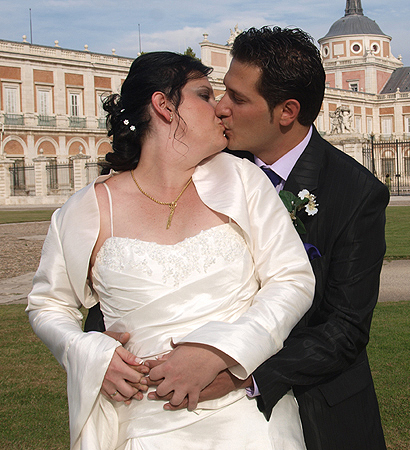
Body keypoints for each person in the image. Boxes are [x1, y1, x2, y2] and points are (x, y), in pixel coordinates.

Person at [26, 51, 314, 450]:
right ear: (163, 105)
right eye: (203, 94)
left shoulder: (244, 180)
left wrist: (218, 352)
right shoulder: (85, 210)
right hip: (140, 422)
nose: (220, 108)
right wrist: (90, 353)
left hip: (247, 423)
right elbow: (47, 305)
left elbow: (292, 279)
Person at [150, 27, 388, 450]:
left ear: (286, 111)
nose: (220, 108)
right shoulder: (206, 169)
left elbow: (344, 329)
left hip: (321, 411)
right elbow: (153, 254)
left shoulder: (355, 192)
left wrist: (240, 372)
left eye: (238, 99)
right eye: (223, 93)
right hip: (208, 419)